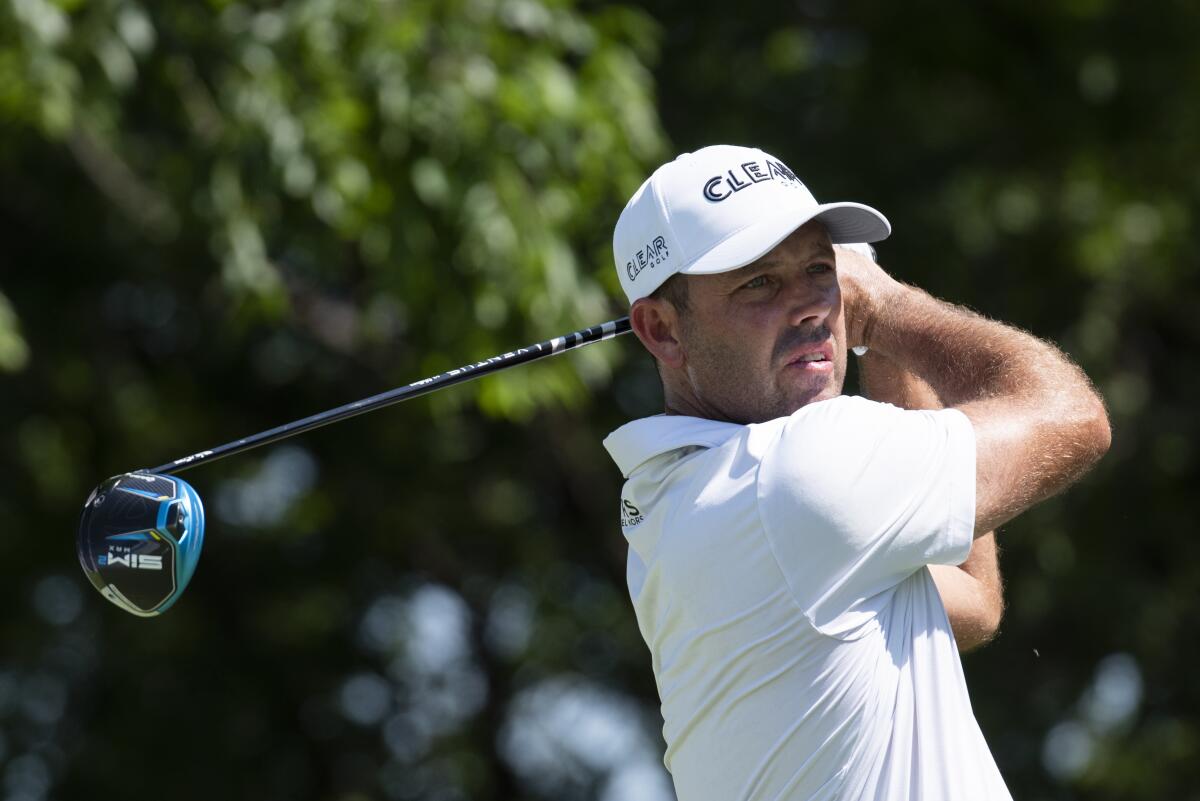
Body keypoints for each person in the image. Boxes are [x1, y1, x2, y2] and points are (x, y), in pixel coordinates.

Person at [602, 145, 1110, 801]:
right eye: (757, 282)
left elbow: (970, 599)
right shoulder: (794, 469)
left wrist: (875, 341)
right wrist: (892, 306)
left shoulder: (678, 502)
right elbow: (1073, 414)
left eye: (820, 268)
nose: (816, 305)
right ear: (662, 330)